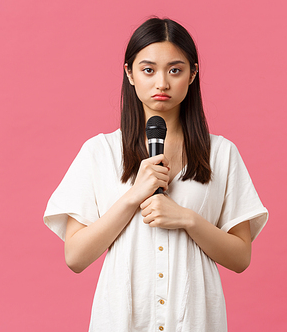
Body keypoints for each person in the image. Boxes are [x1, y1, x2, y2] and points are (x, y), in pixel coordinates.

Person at [44, 17, 268, 332]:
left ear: (192, 74)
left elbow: (240, 257)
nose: (161, 83)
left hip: (194, 321)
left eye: (174, 70)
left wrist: (187, 219)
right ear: (129, 73)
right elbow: (76, 257)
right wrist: (133, 196)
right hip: (122, 320)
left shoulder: (222, 154)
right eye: (148, 70)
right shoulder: (100, 152)